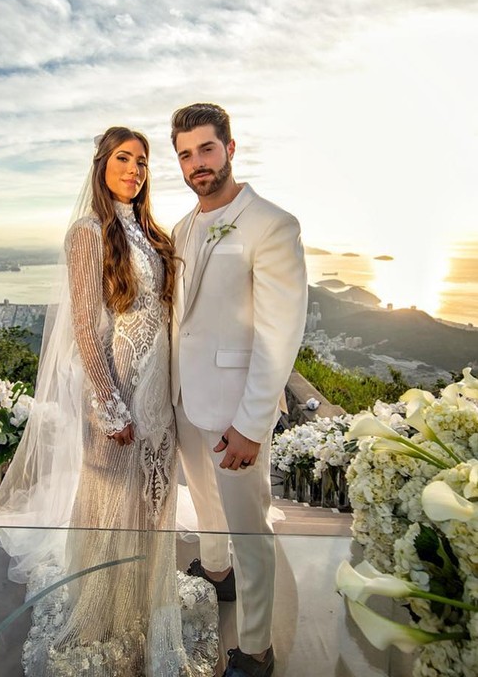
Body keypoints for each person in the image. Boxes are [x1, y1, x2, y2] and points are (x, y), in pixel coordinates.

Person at [0, 127, 217, 676]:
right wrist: (110, 405)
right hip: (120, 393)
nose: (134, 170)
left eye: (141, 161)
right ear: (102, 164)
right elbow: (89, 330)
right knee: (112, 505)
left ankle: (144, 600)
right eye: (123, 158)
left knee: (152, 503)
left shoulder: (148, 229)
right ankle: (104, 614)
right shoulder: (88, 232)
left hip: (158, 390)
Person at [170, 104, 308, 677]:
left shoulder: (271, 224)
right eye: (184, 154)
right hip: (185, 400)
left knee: (250, 527)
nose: (196, 163)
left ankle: (256, 649)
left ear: (230, 147)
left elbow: (280, 334)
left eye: (206, 148)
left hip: (235, 412)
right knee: (204, 505)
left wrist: (253, 425)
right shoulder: (181, 227)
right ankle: (214, 571)